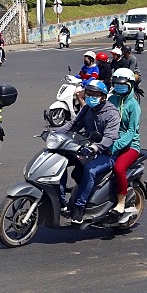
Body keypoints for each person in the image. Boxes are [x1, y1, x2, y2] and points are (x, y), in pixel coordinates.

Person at [58, 79, 121, 224]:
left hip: (107, 153)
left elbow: (110, 138)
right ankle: (60, 200)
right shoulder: (87, 109)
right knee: (60, 159)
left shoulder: (111, 113)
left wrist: (96, 147)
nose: (91, 97)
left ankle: (79, 207)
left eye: (95, 94)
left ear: (103, 97)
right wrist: (54, 133)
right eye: (89, 94)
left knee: (90, 170)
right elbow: (72, 125)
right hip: (87, 148)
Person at [108, 68, 142, 215]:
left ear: (130, 85)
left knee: (118, 168)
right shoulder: (111, 100)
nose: (119, 87)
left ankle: (121, 202)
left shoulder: (134, 106)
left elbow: (130, 132)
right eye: (116, 84)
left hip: (130, 146)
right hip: (109, 142)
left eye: (122, 85)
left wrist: (115, 146)